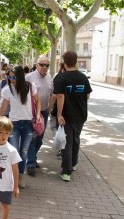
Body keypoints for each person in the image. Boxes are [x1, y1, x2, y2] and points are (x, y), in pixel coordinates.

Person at [0, 65, 41, 188]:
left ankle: (21, 176)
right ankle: (12, 176)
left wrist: (37, 114)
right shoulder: (7, 89)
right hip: (13, 123)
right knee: (14, 151)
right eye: (9, 77)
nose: (11, 80)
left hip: (28, 123)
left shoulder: (31, 87)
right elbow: (3, 109)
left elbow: (38, 101)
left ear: (20, 76)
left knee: (24, 151)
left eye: (14, 77)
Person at [54, 51, 92, 182]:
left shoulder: (61, 78)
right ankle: (73, 164)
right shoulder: (83, 77)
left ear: (64, 62)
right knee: (76, 139)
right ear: (76, 61)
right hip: (81, 114)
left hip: (66, 115)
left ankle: (66, 171)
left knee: (67, 142)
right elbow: (87, 96)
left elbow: (60, 96)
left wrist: (59, 114)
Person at [25, 56, 53, 176]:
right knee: (32, 137)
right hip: (32, 112)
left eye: (47, 65)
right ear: (36, 65)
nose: (44, 67)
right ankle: (30, 164)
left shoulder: (50, 77)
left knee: (40, 139)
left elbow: (52, 94)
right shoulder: (29, 77)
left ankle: (32, 157)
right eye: (42, 64)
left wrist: (51, 109)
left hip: (44, 112)